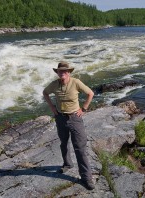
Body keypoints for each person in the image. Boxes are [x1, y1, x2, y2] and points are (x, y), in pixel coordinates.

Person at [43, 61, 95, 190]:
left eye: (65, 71)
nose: (63, 73)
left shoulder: (76, 82)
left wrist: (83, 109)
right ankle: (67, 164)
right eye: (60, 71)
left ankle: (86, 178)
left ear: (69, 72)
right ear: (57, 72)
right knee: (63, 142)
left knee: (80, 148)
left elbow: (90, 93)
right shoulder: (54, 85)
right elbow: (45, 93)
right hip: (60, 118)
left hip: (74, 118)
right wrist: (53, 108)